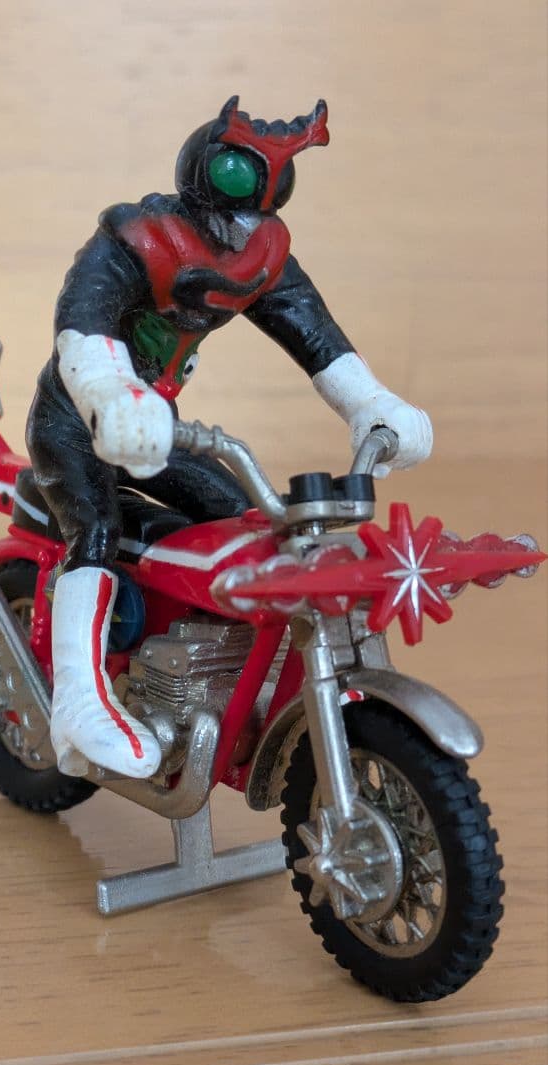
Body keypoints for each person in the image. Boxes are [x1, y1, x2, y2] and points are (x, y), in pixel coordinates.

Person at [26, 96, 432, 780]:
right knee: (93, 530)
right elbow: (82, 326)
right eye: (243, 173)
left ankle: (233, 671)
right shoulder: (135, 237)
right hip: (77, 419)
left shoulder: (261, 253)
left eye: (274, 181)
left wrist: (372, 403)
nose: (248, 214)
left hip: (155, 424)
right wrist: (112, 395)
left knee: (249, 525)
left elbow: (314, 336)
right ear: (205, 170)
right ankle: (77, 701)